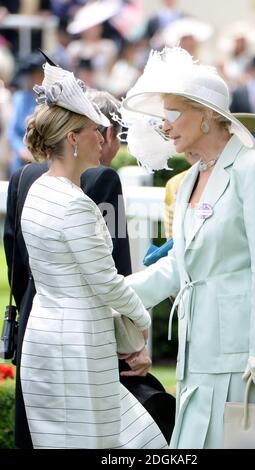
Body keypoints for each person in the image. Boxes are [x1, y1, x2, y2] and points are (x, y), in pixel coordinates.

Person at [121, 47, 255, 449]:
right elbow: (177, 266)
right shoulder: (186, 183)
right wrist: (113, 292)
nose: (164, 127)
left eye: (172, 115)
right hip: (197, 347)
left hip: (249, 357)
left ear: (205, 115)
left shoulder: (254, 169)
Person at [12, 61, 167, 449]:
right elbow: (108, 282)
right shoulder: (75, 204)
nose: (103, 138)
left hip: (43, 339)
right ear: (72, 138)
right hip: (77, 345)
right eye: (94, 130)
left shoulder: (38, 190)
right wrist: (142, 320)